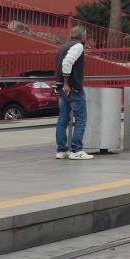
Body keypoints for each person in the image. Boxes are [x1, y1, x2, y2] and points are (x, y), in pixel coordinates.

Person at [54, 26, 93, 160]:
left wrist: (62, 83)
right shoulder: (78, 47)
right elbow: (67, 63)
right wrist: (67, 83)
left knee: (63, 119)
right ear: (83, 37)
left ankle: (61, 150)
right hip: (73, 88)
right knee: (81, 119)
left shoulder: (63, 47)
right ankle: (76, 150)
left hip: (61, 88)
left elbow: (62, 63)